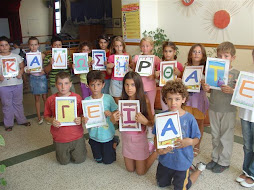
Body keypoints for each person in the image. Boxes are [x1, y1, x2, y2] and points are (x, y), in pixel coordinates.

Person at [153, 80, 206, 189]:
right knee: (161, 184)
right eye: (170, 99)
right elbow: (156, 136)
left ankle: (199, 170)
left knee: (182, 187)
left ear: (184, 99)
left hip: (182, 162)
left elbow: (197, 138)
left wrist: (190, 141)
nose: (173, 103)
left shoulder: (189, 118)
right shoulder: (161, 117)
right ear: (165, 100)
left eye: (177, 99)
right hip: (165, 160)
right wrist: (159, 149)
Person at [202, 41, 240, 173]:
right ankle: (215, 158)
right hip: (214, 108)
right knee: (215, 135)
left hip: (228, 110)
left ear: (233, 57)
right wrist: (206, 87)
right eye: (219, 56)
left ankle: (224, 161)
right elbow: (209, 89)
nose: (222, 59)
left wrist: (233, 91)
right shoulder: (212, 70)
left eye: (226, 56)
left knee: (226, 136)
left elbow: (240, 95)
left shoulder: (236, 74)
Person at [111, 71, 158, 175]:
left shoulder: (144, 100)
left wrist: (145, 121)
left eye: (133, 85)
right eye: (127, 85)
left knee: (141, 172)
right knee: (130, 169)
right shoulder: (122, 100)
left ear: (138, 85)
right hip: (126, 140)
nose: (129, 88)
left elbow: (152, 122)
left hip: (139, 140)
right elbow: (114, 119)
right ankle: (149, 149)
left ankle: (155, 151)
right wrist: (113, 118)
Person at [44, 72, 86, 165]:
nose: (63, 87)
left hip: (76, 135)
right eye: (60, 83)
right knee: (63, 162)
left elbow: (84, 115)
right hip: (60, 137)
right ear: (55, 85)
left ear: (71, 84)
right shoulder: (50, 99)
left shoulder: (77, 98)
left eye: (66, 83)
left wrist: (81, 118)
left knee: (80, 160)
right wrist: (52, 120)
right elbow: (46, 116)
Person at [83, 70, 118, 164]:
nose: (95, 88)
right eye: (92, 85)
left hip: (107, 134)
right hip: (93, 135)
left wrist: (111, 113)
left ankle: (114, 142)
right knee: (98, 160)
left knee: (108, 161)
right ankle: (100, 148)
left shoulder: (108, 98)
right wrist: (84, 119)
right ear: (88, 85)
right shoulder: (86, 100)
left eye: (98, 84)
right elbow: (84, 116)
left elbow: (116, 111)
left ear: (103, 85)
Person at [0, 36, 30, 131]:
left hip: (17, 83)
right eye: (1, 45)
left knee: (18, 103)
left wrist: (21, 73)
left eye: (6, 45)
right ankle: (8, 124)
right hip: (3, 85)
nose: (4, 47)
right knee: (6, 104)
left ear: (10, 45)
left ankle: (21, 120)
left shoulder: (16, 57)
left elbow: (22, 67)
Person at [183, 44, 209, 156]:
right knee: (187, 122)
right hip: (188, 99)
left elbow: (209, 88)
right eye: (194, 51)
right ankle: (187, 142)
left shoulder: (206, 71)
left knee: (199, 122)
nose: (196, 54)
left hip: (199, 99)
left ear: (203, 55)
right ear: (190, 54)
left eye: (199, 52)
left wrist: (204, 84)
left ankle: (197, 145)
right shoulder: (186, 68)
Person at [235, 49, 254, 188]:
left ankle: (252, 173)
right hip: (246, 115)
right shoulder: (248, 74)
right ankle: (246, 170)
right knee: (247, 145)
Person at [132, 37, 161, 116]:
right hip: (139, 86)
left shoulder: (155, 59)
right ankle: (140, 125)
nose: (145, 48)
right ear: (140, 47)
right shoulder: (136, 58)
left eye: (147, 46)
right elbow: (134, 71)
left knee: (150, 106)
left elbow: (160, 71)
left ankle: (151, 125)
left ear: (152, 46)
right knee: (139, 105)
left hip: (150, 86)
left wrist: (154, 75)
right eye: (143, 46)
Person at [25, 36, 48, 124]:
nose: (33, 47)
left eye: (35, 45)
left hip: (42, 78)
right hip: (33, 78)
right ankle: (39, 117)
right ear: (29, 46)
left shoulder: (42, 55)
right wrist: (27, 70)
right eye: (31, 45)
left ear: (38, 45)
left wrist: (44, 71)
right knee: (37, 98)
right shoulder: (27, 56)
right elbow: (26, 67)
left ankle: (46, 115)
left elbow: (46, 66)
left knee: (45, 98)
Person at [159, 41, 184, 111]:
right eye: (165, 51)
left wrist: (179, 73)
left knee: (175, 109)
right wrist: (156, 75)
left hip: (175, 92)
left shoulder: (178, 65)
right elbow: (159, 78)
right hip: (164, 90)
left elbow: (182, 79)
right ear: (163, 52)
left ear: (174, 52)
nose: (167, 54)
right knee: (165, 109)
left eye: (170, 51)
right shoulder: (160, 64)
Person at [106, 36, 131, 104]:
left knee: (126, 100)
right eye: (116, 46)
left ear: (123, 46)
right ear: (114, 46)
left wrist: (131, 65)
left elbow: (131, 66)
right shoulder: (111, 57)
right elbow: (109, 73)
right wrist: (108, 67)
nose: (119, 48)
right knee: (117, 102)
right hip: (115, 81)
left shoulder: (127, 55)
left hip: (125, 80)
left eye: (120, 45)